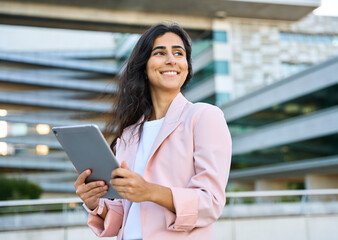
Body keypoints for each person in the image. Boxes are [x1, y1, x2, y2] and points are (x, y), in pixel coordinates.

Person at [74, 22, 232, 240]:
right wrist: (95, 203)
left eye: (179, 53)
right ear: (144, 66)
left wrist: (150, 192)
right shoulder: (128, 134)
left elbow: (211, 202)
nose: (171, 60)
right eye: (160, 52)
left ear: (186, 66)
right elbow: (124, 214)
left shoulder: (204, 117)